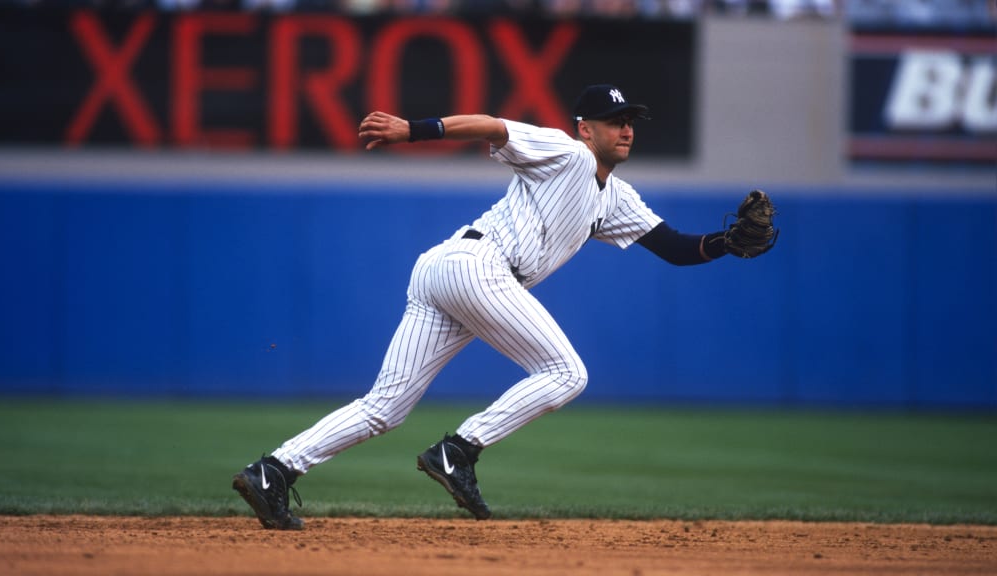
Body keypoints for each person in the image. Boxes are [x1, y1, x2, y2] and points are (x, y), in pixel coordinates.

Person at [232, 84, 772, 529]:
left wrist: (729, 243)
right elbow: (494, 126)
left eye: (630, 119)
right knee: (566, 372)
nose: (625, 128)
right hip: (478, 267)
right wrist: (412, 129)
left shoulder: (618, 198)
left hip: (447, 270)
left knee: (386, 407)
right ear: (587, 128)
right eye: (613, 120)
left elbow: (676, 249)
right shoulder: (567, 151)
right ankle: (459, 450)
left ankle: (273, 470)